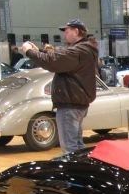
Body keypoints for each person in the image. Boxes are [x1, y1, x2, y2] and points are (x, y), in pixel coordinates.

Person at [22, 19, 97, 154]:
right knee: (77, 145)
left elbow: (52, 62)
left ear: (76, 31)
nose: (64, 35)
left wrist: (29, 52)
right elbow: (57, 57)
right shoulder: (83, 50)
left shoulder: (78, 51)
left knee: (70, 148)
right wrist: (38, 50)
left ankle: (75, 172)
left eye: (67, 31)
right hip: (76, 103)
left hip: (70, 105)